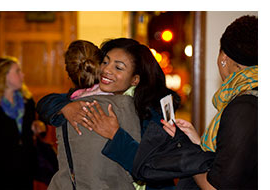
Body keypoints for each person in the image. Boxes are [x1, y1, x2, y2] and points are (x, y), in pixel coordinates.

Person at [36, 38, 181, 190]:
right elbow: (45, 103)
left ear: (135, 80)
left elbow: (156, 168)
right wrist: (65, 108)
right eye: (105, 62)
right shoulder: (88, 95)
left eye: (118, 68)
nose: (107, 70)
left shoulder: (151, 111)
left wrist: (115, 134)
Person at [161, 15, 258, 189]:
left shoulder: (244, 107)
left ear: (224, 58)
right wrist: (197, 143)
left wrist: (186, 149)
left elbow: (215, 186)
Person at [0, 57, 37, 190]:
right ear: (3, 76)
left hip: (25, 168)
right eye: (17, 71)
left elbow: (31, 130)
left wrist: (38, 127)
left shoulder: (28, 102)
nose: (23, 75)